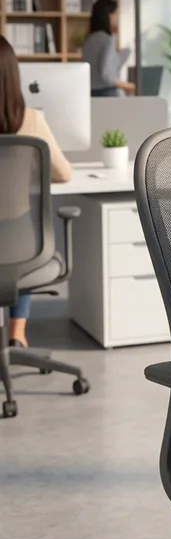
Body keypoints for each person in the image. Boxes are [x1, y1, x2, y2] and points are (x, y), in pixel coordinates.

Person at [0, 35, 71, 349]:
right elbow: (63, 174)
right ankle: (17, 332)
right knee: (18, 238)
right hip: (22, 248)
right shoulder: (31, 120)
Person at [82, 0, 135, 97]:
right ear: (109, 15)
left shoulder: (88, 40)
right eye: (116, 14)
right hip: (107, 93)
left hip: (90, 93)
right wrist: (126, 86)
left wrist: (115, 37)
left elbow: (112, 63)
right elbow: (106, 74)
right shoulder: (107, 40)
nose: (117, 18)